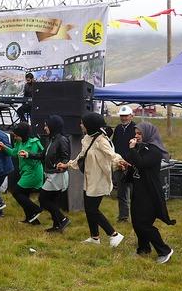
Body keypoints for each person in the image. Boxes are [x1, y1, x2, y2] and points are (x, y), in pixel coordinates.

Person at [58, 113, 127, 247]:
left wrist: (120, 162)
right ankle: (95, 237)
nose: (80, 125)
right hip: (89, 179)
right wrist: (68, 165)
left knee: (92, 210)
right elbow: (81, 156)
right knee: (89, 209)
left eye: (82, 123)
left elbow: (112, 155)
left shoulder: (102, 140)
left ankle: (114, 234)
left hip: (99, 180)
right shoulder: (87, 138)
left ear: (89, 125)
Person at [125, 122, 176, 263]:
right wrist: (126, 165)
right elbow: (134, 163)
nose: (136, 136)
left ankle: (164, 250)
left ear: (147, 134)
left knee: (144, 224)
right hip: (138, 190)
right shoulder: (141, 148)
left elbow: (141, 164)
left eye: (139, 133)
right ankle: (143, 249)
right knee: (136, 222)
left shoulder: (154, 151)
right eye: (136, 133)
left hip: (149, 192)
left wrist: (132, 150)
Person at [29, 115, 71, 233]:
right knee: (52, 201)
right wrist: (28, 155)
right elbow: (43, 155)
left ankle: (62, 219)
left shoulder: (61, 139)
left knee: (43, 199)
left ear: (53, 126)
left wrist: (61, 165)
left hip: (57, 174)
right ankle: (57, 225)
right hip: (51, 174)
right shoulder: (51, 139)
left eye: (47, 125)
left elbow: (66, 157)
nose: (45, 128)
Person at [0, 122, 44, 224]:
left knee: (17, 192)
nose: (15, 138)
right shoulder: (20, 142)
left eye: (16, 136)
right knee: (24, 195)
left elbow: (38, 156)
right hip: (25, 172)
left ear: (22, 134)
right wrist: (4, 147)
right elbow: (14, 153)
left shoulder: (33, 142)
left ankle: (36, 209)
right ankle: (32, 220)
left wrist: (28, 155)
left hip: (33, 172)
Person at [111, 105, 137, 222]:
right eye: (122, 116)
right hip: (119, 163)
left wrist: (128, 162)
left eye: (126, 116)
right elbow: (114, 145)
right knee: (121, 193)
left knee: (134, 193)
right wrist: (117, 160)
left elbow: (136, 148)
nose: (124, 118)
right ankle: (123, 216)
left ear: (131, 116)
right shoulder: (118, 128)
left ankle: (137, 216)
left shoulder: (135, 129)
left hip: (131, 165)